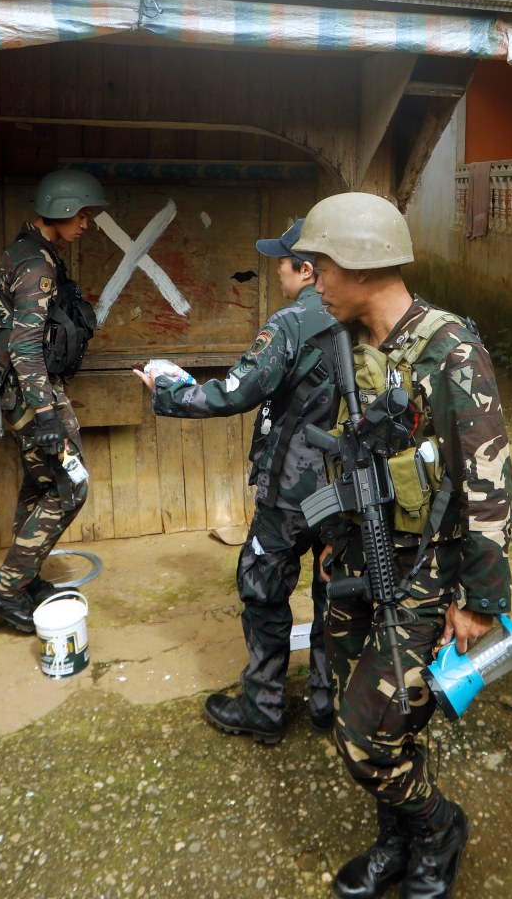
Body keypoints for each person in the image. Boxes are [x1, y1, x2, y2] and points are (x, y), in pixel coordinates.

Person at [296, 192, 512, 899]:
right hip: (357, 559)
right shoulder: (354, 347)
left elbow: (488, 489)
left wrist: (481, 602)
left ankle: (438, 827)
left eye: (320, 264)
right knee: (352, 706)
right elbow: (342, 458)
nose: (313, 277)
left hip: (424, 571)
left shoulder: (451, 353)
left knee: (368, 739)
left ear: (359, 265)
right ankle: (397, 836)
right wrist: (332, 537)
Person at [135, 219, 339, 743]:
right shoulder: (360, 317)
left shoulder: (292, 322)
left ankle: (265, 708)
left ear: (307, 269)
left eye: (282, 261)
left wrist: (167, 390)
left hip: (291, 493)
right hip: (346, 491)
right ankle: (326, 703)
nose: (276, 270)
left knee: (264, 586)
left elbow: (234, 391)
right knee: (333, 589)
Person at [0, 169, 108, 633]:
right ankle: (6, 590)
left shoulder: (26, 250)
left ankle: (25, 576)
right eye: (83, 215)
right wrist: (47, 412)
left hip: (23, 392)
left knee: (39, 484)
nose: (86, 224)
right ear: (63, 210)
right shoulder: (37, 265)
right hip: (35, 394)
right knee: (71, 486)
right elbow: (24, 344)